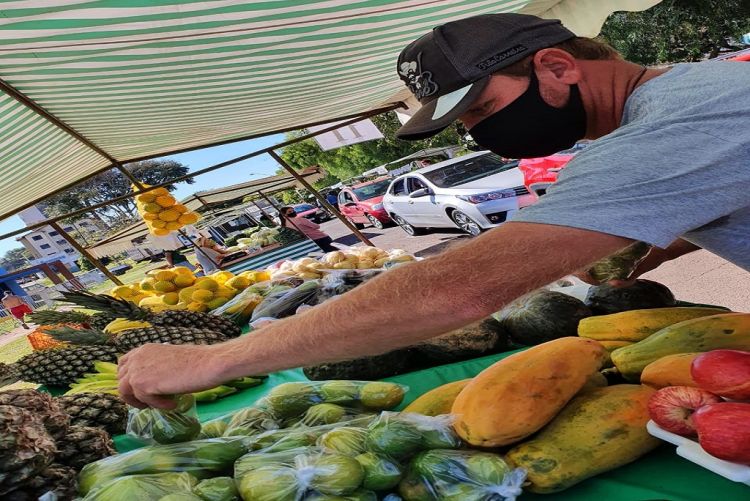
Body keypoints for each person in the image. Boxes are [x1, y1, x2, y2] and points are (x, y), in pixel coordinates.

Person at [117, 13, 750, 408]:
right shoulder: (692, 97)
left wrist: (213, 360)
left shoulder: (677, 124)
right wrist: (667, 239)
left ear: (556, 66)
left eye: (480, 109)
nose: (481, 134)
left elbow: (456, 291)